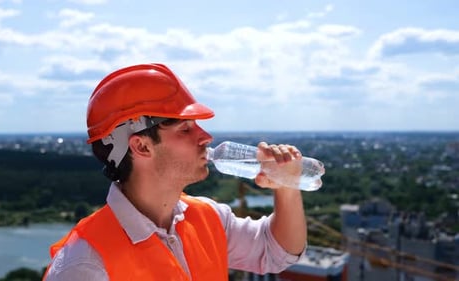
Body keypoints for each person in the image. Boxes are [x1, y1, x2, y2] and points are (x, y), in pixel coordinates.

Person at [43, 63, 307, 281]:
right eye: (185, 129)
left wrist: (286, 186)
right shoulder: (83, 266)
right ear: (142, 146)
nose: (206, 137)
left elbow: (279, 251)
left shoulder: (207, 218)